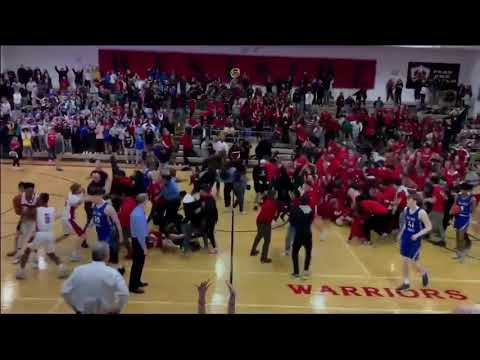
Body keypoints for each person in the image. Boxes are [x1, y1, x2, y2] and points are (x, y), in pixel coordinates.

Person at [61, 242, 129, 314]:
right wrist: (117, 309)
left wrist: (75, 307)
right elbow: (124, 294)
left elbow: (65, 291)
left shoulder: (78, 270)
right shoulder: (113, 273)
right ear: (107, 256)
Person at [16, 193, 69, 280]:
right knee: (51, 254)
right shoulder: (52, 209)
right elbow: (59, 215)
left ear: (40, 200)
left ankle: (21, 272)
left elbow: (27, 214)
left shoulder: (37, 210)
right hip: (50, 234)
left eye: (38, 199)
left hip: (40, 235)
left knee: (26, 252)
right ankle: (62, 268)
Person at [396, 193, 432, 291]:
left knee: (413, 262)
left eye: (408, 200)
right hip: (406, 237)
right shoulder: (406, 209)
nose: (406, 201)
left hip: (415, 239)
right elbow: (406, 224)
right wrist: (401, 234)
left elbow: (429, 227)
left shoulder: (421, 212)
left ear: (414, 201)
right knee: (405, 260)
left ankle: (424, 272)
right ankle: (406, 282)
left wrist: (417, 235)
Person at [90, 186, 125, 274]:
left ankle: (118, 268)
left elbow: (117, 222)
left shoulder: (108, 208)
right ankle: (110, 268)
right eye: (91, 196)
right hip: (100, 234)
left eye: (93, 197)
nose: (92, 198)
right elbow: (94, 218)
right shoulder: (93, 205)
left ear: (100, 196)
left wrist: (120, 236)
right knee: (104, 255)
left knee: (112, 255)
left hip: (109, 236)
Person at [289, 196, 315, 279]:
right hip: (308, 234)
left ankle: (296, 272)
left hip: (299, 234)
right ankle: (306, 270)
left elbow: (292, 222)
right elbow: (311, 221)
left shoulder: (296, 210)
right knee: (308, 252)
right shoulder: (311, 211)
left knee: (295, 252)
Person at [60, 183, 87, 261]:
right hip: (69, 219)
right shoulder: (74, 199)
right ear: (76, 190)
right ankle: (75, 255)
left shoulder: (70, 194)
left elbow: (78, 198)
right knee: (82, 235)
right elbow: (79, 202)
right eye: (79, 188)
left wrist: (82, 193)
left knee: (70, 235)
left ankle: (53, 242)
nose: (81, 189)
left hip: (66, 218)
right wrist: (84, 194)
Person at [12, 182, 38, 263]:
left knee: (31, 240)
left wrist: (29, 212)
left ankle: (33, 258)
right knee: (19, 238)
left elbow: (39, 210)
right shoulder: (17, 199)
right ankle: (17, 254)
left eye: (32, 191)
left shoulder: (37, 198)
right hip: (24, 220)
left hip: (33, 221)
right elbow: (17, 211)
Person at [129, 194, 149, 293]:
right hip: (138, 241)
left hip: (139, 239)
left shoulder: (138, 211)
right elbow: (140, 233)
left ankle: (137, 281)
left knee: (140, 263)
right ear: (144, 201)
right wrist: (144, 247)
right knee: (137, 264)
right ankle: (133, 286)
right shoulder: (138, 214)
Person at [250, 190, 278, 263]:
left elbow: (260, 203)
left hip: (259, 220)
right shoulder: (273, 204)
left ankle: (253, 251)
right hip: (265, 223)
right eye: (276, 194)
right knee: (267, 240)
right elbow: (273, 214)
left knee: (259, 236)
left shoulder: (267, 201)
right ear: (273, 195)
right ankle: (263, 258)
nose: (276, 195)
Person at [452, 182, 476, 262]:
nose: (462, 191)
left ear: (467, 190)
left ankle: (461, 254)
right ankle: (458, 250)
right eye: (461, 189)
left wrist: (472, 204)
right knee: (457, 235)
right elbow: (454, 206)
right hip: (457, 217)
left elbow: (472, 210)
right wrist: (453, 211)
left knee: (461, 237)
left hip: (465, 218)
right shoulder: (457, 196)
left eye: (463, 189)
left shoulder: (472, 199)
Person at [200, 184, 219, 254]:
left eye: (201, 191)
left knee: (209, 232)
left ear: (205, 192)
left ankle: (215, 248)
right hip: (211, 218)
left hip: (211, 219)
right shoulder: (207, 198)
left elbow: (210, 211)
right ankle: (212, 242)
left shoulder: (209, 200)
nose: (200, 192)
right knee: (206, 231)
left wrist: (202, 209)